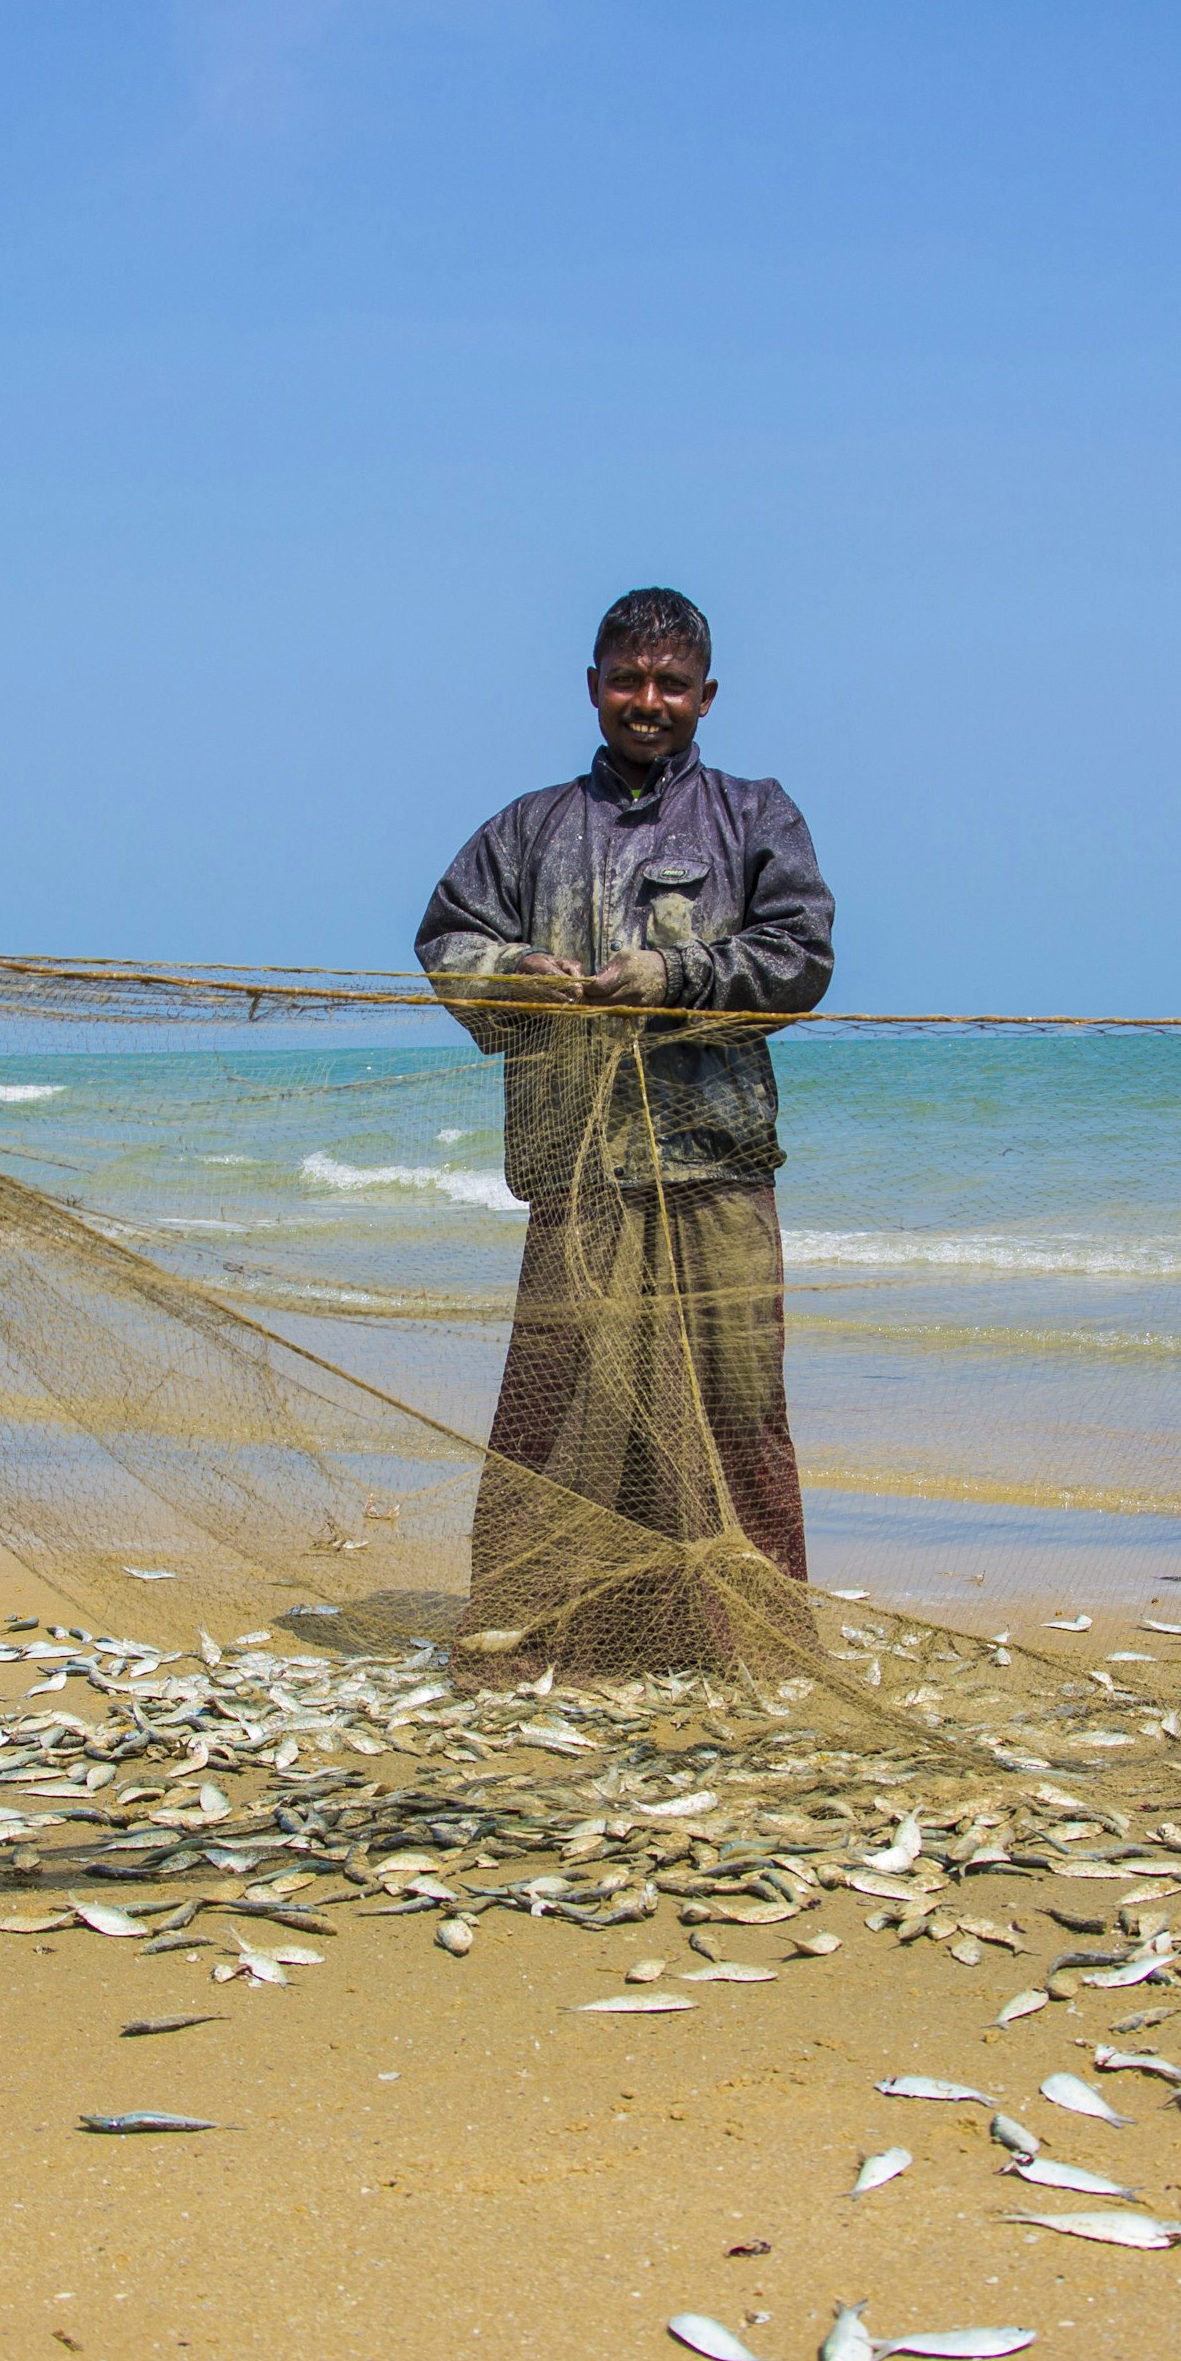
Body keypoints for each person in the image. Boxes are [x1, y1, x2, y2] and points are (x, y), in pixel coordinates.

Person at [415, 589, 835, 1681]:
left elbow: (802, 957)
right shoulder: (527, 828)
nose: (647, 702)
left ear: (706, 696)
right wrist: (517, 974)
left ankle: (756, 1643)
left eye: (669, 684)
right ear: (593, 684)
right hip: (576, 1170)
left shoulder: (757, 815)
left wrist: (679, 974)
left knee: (739, 1408)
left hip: (716, 1166)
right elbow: (449, 936)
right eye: (625, 679)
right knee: (550, 1412)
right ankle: (526, 1639)